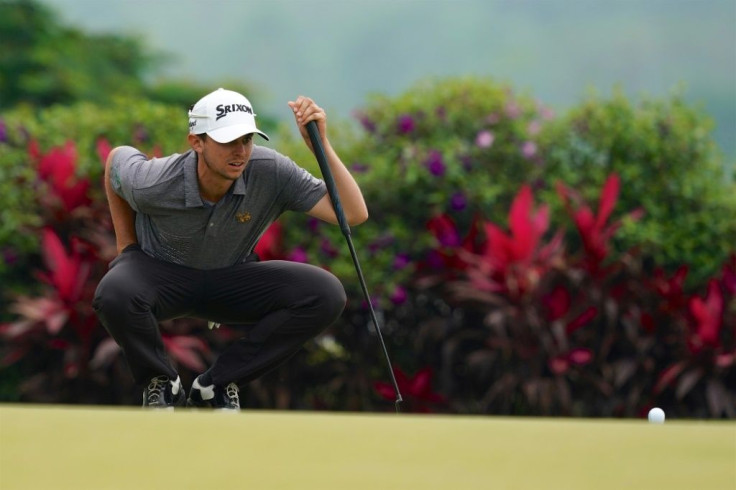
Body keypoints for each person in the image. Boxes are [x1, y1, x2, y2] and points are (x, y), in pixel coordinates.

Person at [93, 88, 368, 410]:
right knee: (113, 290)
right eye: (228, 141)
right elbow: (116, 160)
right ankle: (161, 382)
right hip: (160, 278)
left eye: (247, 140)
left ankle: (217, 385)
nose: (240, 151)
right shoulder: (152, 181)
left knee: (324, 293)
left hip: (230, 279)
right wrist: (127, 249)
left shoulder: (270, 171)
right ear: (197, 142)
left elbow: (352, 213)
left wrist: (320, 146)